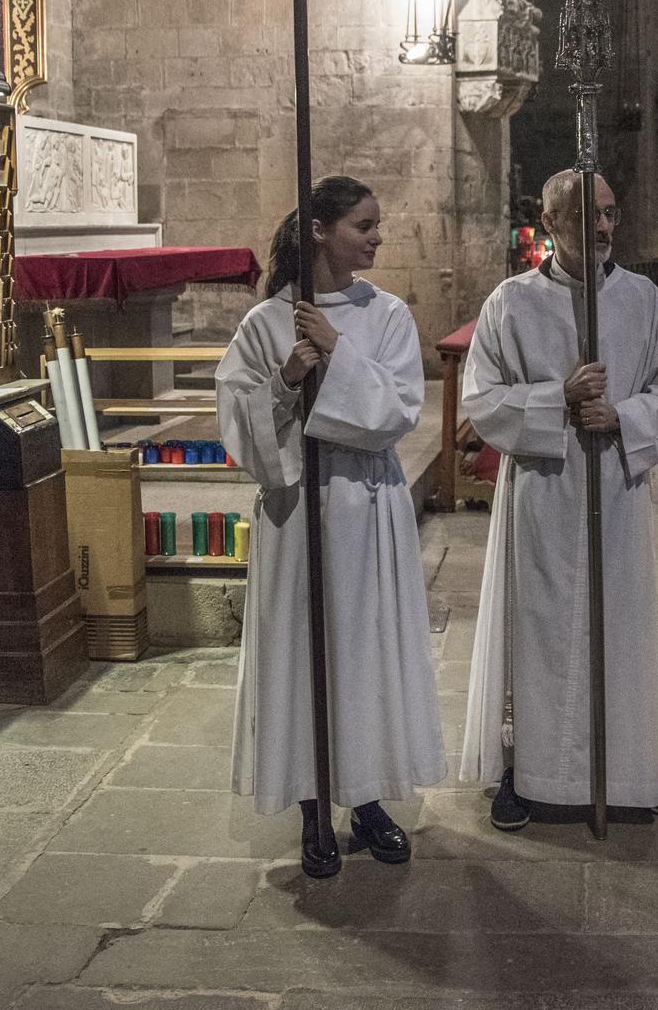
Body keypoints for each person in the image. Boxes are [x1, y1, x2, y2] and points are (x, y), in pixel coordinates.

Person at [215, 176, 445, 878]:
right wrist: (287, 376)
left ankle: (367, 796)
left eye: (377, 225)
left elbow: (399, 410)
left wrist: (339, 351)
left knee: (364, 651)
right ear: (319, 229)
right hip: (297, 510)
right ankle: (313, 801)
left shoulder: (389, 314)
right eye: (363, 224)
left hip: (366, 504)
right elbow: (240, 425)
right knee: (304, 653)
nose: (377, 236)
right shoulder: (264, 324)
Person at [458, 170, 658, 829]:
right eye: (587, 215)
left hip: (617, 491)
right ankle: (525, 767)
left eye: (611, 214)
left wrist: (621, 415)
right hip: (542, 491)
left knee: (620, 627)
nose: (602, 228)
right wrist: (554, 399)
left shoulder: (645, 300)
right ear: (550, 220)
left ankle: (629, 770)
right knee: (536, 630)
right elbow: (478, 401)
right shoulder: (512, 303)